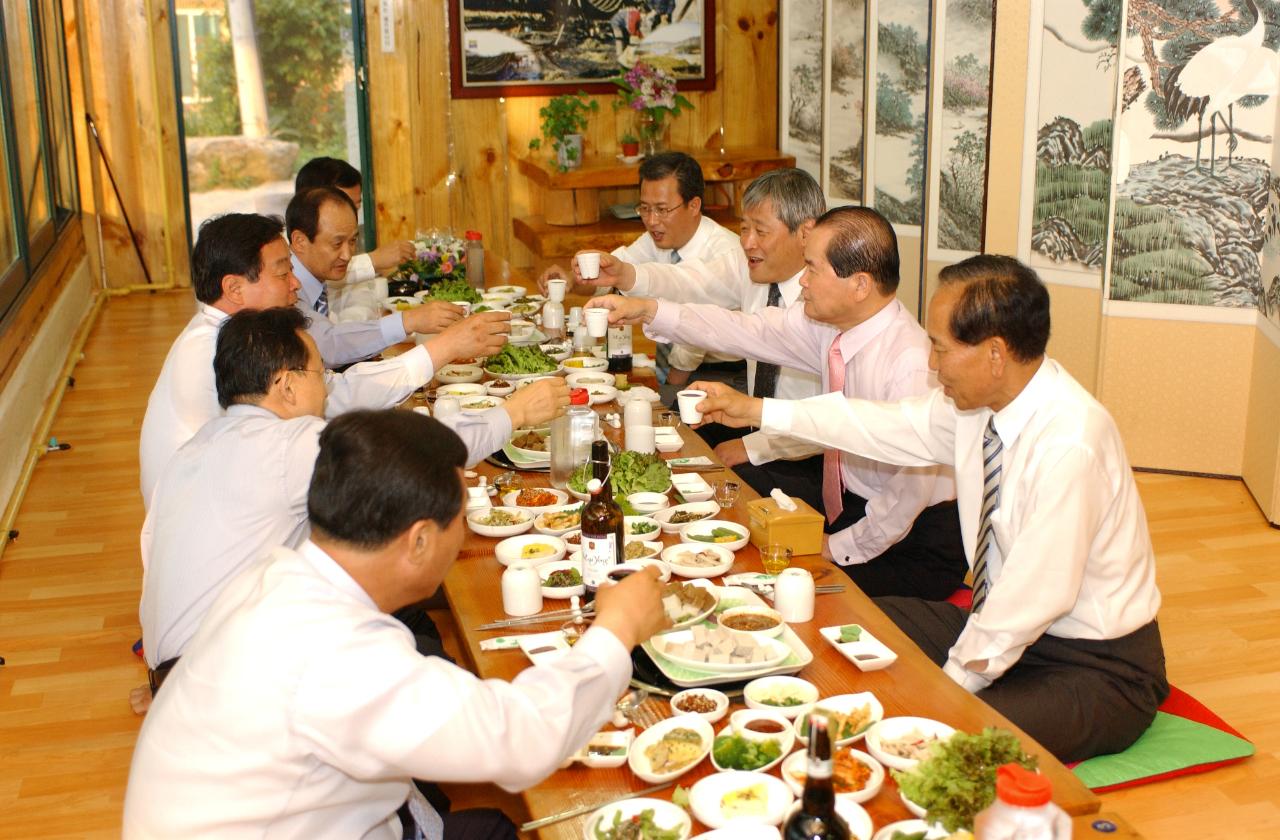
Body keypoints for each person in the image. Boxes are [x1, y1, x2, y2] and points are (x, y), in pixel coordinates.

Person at [690, 254, 1169, 762]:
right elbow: (879, 425)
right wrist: (758, 410)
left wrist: (943, 688)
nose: (933, 367)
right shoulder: (979, 404)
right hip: (998, 627)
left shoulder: (1071, 444)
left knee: (926, 737)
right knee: (837, 619)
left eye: (940, 349)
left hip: (1093, 666)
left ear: (994, 353)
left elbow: (1029, 601)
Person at [123, 409, 668, 838]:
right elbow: (516, 739)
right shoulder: (335, 652)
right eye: (460, 518)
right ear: (420, 540)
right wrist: (615, 629)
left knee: (495, 827)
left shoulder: (276, 574)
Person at [137, 307, 568, 687]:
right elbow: (415, 461)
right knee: (411, 655)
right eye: (319, 373)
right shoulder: (287, 444)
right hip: (229, 678)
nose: (326, 388)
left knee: (405, 616)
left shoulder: (193, 450)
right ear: (285, 386)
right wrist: (513, 414)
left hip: (174, 673)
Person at [589, 206, 966, 599]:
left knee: (786, 592)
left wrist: (837, 547)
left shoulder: (910, 362)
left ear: (860, 284)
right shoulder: (830, 326)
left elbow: (906, 496)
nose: (802, 281)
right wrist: (650, 310)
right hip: (849, 508)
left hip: (911, 542)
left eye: (813, 269)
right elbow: (747, 329)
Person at [138, 213, 509, 507]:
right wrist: (448, 352)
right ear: (234, 288)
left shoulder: (231, 334)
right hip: (222, 539)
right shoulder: (215, 351)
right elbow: (336, 397)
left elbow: (332, 391)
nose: (296, 284)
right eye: (284, 273)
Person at [573, 167, 824, 506]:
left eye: (760, 231)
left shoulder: (826, 300)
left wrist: (751, 448)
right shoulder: (751, 266)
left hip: (807, 458)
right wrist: (632, 281)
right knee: (671, 444)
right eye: (744, 228)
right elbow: (691, 282)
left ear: (806, 232)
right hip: (754, 428)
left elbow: (832, 421)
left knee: (703, 490)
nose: (747, 242)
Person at [539, 151, 746, 391]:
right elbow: (612, 272)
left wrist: (667, 395)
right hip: (674, 370)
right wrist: (573, 280)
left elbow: (693, 338)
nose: (652, 220)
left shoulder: (725, 252)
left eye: (662, 209)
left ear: (694, 205)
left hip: (724, 375)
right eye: (645, 209)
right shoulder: (658, 238)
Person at [288, 187, 464, 366]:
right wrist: (409, 321)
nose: (347, 255)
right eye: (337, 243)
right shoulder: (286, 287)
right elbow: (328, 347)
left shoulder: (317, 275)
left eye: (352, 241)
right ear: (300, 241)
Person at [294, 156, 415, 282]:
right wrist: (373, 260)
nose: (352, 216)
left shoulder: (347, 239)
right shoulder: (291, 271)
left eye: (355, 207)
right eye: (342, 205)